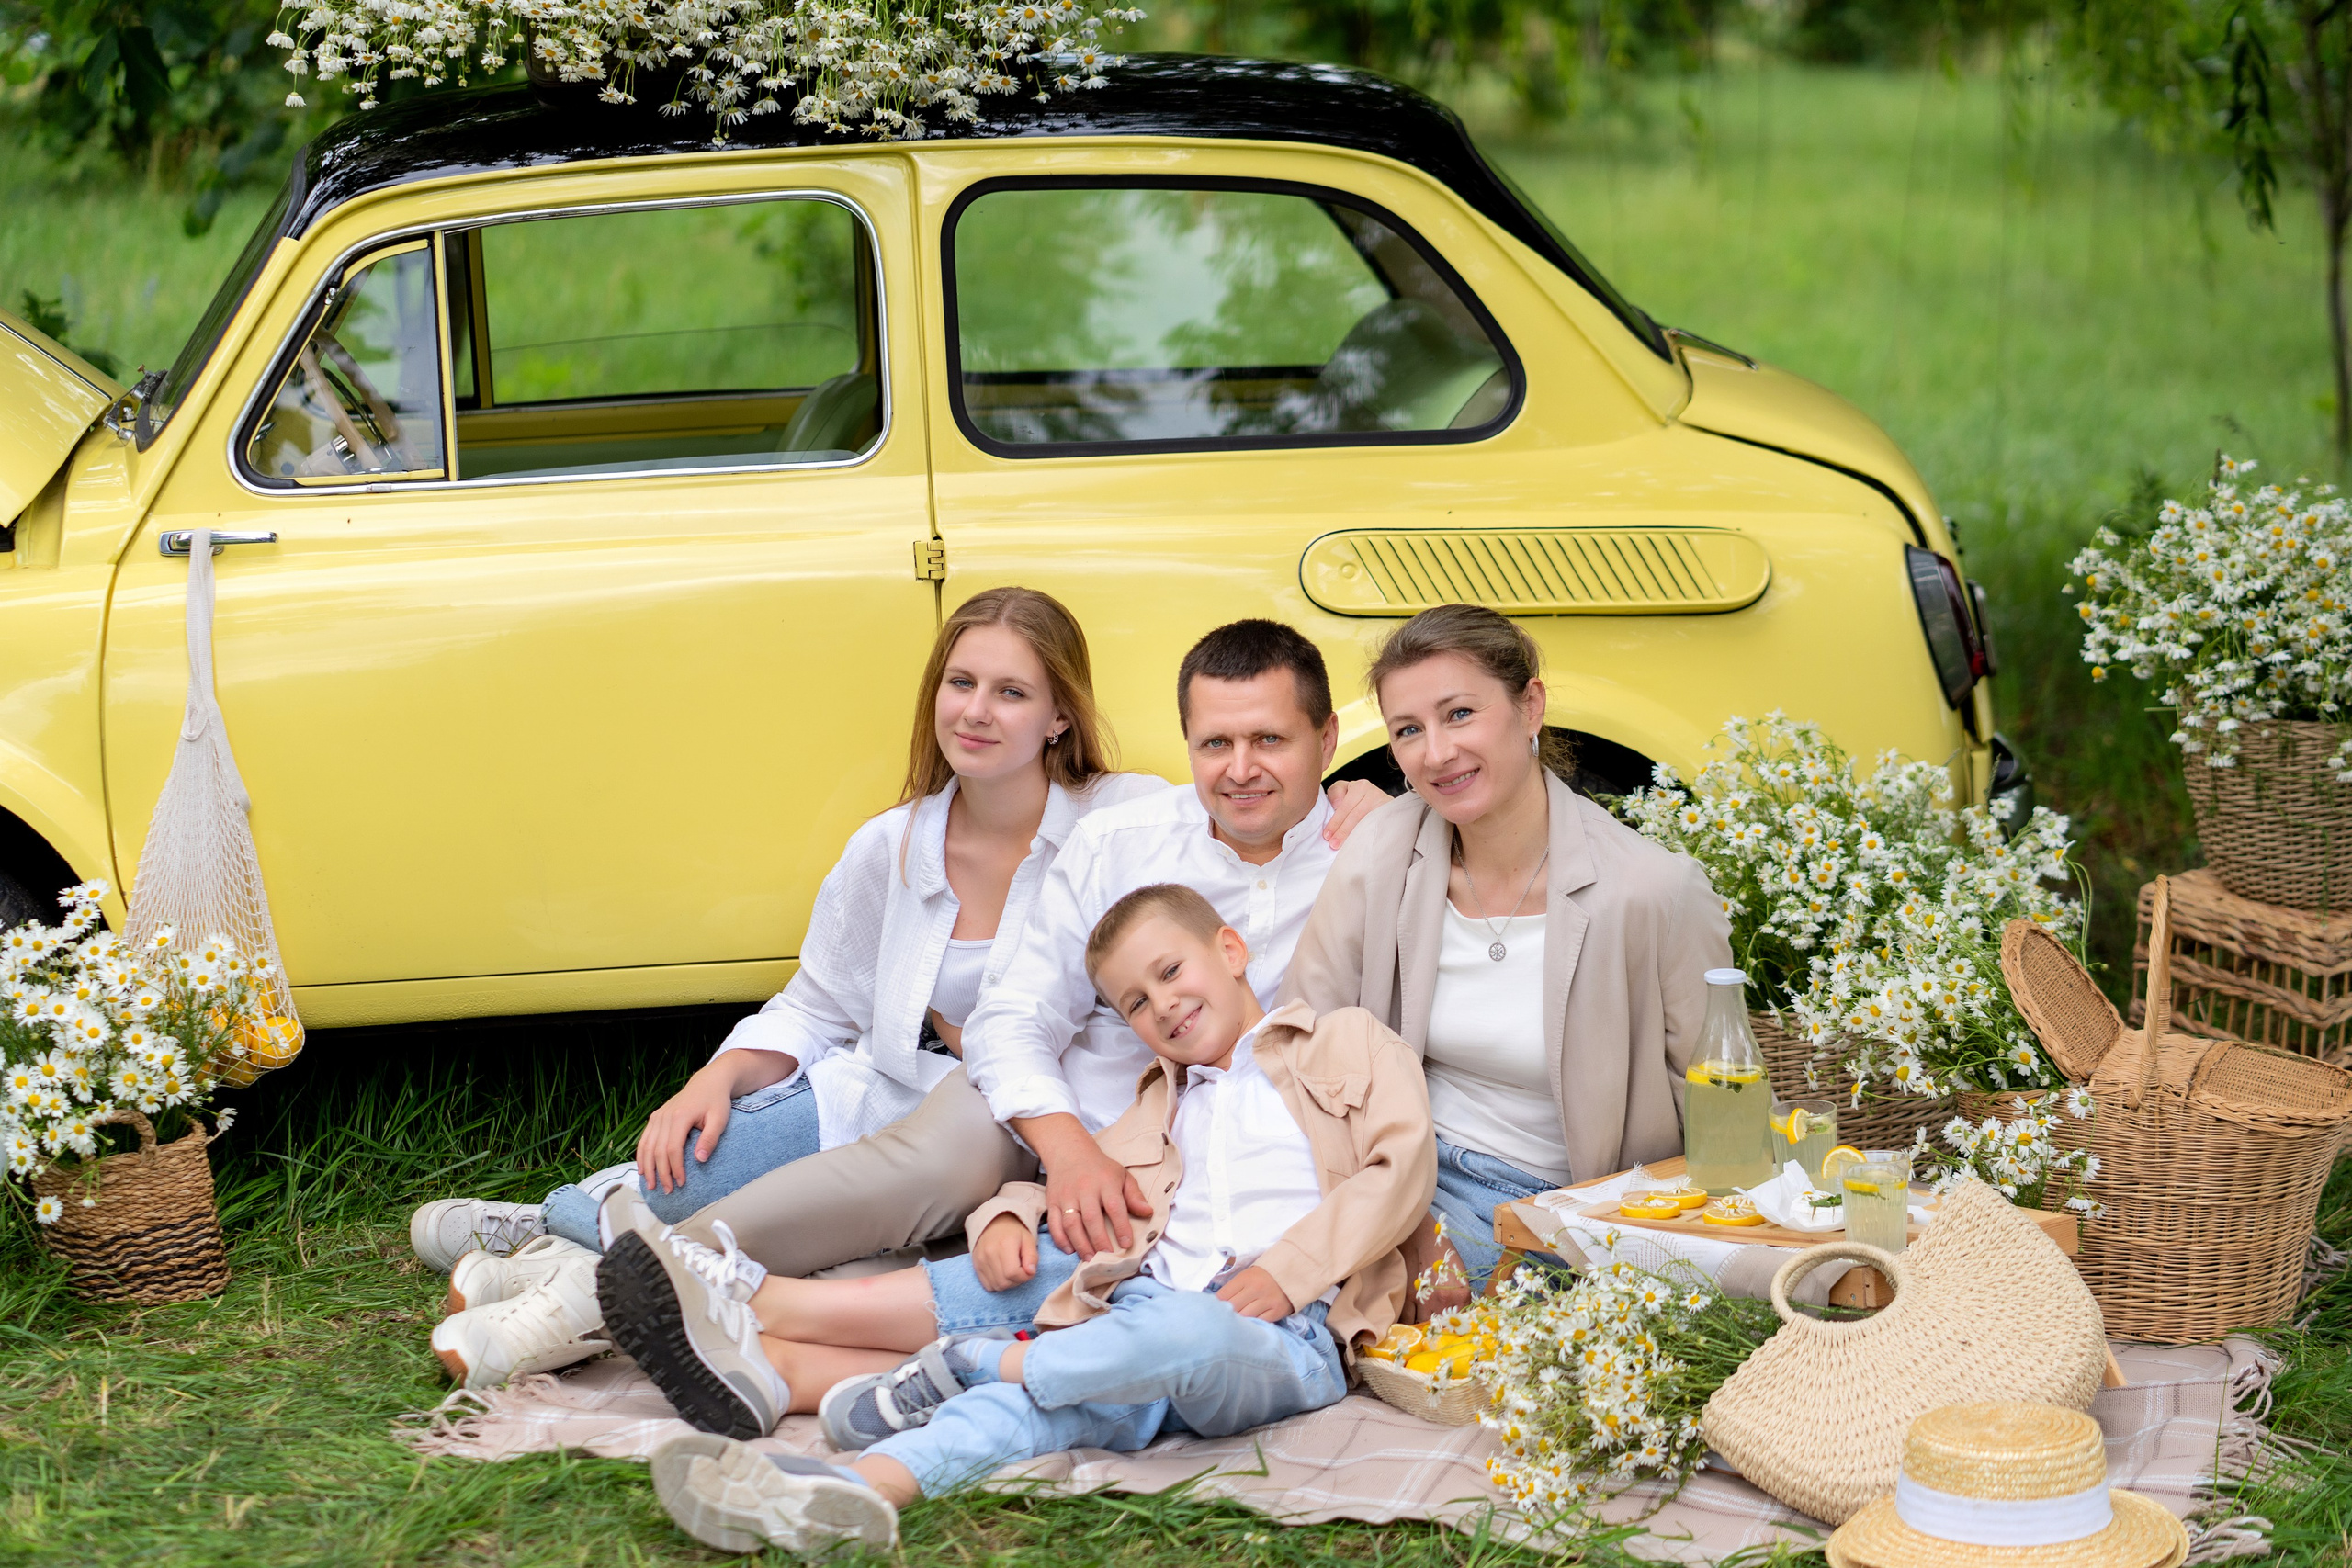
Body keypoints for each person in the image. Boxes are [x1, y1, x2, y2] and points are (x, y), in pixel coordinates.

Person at [415, 586, 1160, 1387]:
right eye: (960, 683)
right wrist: (717, 1077)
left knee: (913, 1176)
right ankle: (564, 1225)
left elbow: (1244, 822)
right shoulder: (892, 845)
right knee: (682, 1180)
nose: (976, 711)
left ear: (1060, 717)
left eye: (1011, 692)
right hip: (895, 1097)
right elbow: (816, 1003)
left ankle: (577, 1280)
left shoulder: (1121, 821)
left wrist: (1324, 798)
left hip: (1005, 1127)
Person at [596, 883, 1434, 1555]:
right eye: (1137, 1003)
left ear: (1230, 949)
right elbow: (1074, 1180)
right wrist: (1004, 1211)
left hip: (1286, 1330)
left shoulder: (1343, 1043)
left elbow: (1401, 1168)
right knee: (1065, 1387)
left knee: (1187, 1333)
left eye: (1172, 972)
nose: (1164, 1007)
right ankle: (856, 1485)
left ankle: (942, 1356)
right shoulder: (1159, 1104)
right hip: (1132, 1307)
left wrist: (1287, 1272)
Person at [663, 618, 1380, 1283]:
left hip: (1222, 1149)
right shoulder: (1123, 839)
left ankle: (723, 1291)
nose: (1240, 769)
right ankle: (667, 1268)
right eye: (1215, 744)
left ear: (1325, 740)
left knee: (1035, 1273)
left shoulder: (1381, 850)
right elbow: (1012, 1015)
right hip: (1057, 1110)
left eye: (1271, 741)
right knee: (932, 1158)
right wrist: (1069, 1150)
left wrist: (1386, 805)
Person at [1280, 603, 1733, 1310]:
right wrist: (1402, 1216)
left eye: (1459, 713)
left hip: (1547, 1205)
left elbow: (1717, 1120)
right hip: (1391, 1169)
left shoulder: (1653, 892)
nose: (1435, 752)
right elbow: (1304, 1041)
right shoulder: (1380, 853)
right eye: (1408, 730)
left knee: (1305, 1294)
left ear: (1530, 707)